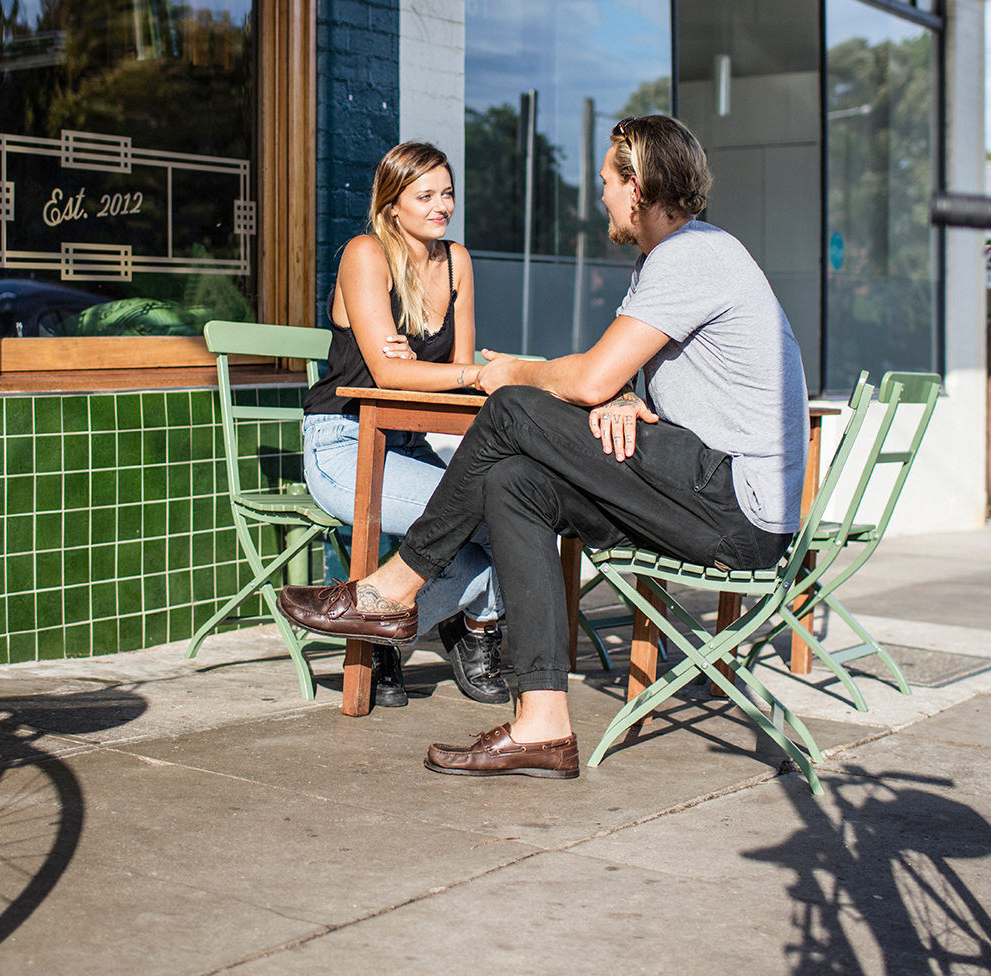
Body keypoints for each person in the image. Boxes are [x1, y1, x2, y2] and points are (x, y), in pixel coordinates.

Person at [278, 115, 807, 778]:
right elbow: (620, 381)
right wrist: (612, 393)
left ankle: (390, 591)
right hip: (699, 492)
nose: (600, 197)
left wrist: (524, 375)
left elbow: (586, 375)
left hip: (736, 505)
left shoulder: (692, 254)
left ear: (638, 187)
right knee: (513, 484)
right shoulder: (666, 261)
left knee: (510, 405)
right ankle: (544, 725)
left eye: (608, 184)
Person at [298, 141, 507, 708]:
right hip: (342, 444)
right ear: (392, 205)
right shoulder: (366, 253)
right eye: (425, 195)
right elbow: (393, 373)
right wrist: (462, 375)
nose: (441, 206)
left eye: (447, 193)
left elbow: (461, 375)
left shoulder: (456, 261)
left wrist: (457, 380)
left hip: (409, 446)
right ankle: (468, 629)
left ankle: (389, 631)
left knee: (516, 514)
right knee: (494, 521)